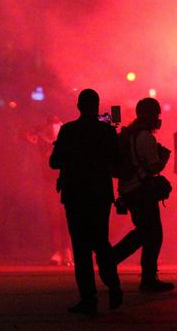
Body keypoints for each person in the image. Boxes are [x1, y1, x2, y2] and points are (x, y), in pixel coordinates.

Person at [49, 89, 123, 315]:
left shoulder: (68, 130)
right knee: (101, 242)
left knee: (80, 247)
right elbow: (118, 163)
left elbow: (54, 162)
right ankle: (113, 286)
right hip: (100, 194)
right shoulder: (106, 132)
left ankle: (88, 298)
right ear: (97, 106)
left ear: (79, 106)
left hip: (75, 195)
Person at [111, 97, 173, 292]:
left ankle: (114, 259)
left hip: (129, 190)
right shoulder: (146, 137)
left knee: (145, 232)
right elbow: (153, 167)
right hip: (142, 191)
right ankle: (144, 277)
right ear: (152, 115)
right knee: (153, 234)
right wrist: (163, 158)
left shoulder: (130, 134)